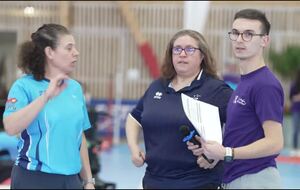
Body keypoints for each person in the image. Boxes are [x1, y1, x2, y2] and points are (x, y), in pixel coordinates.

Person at [188, 9, 284, 189]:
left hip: (255, 179)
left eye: (248, 34)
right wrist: (214, 154)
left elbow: (275, 143)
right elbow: (242, 135)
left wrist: (227, 153)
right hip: (235, 179)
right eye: (236, 33)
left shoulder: (265, 84)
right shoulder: (245, 81)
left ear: (265, 40)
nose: (240, 39)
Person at [125, 29, 233, 189]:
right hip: (153, 181)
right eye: (177, 49)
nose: (182, 54)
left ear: (202, 55)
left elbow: (240, 128)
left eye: (190, 49)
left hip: (198, 182)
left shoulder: (217, 90)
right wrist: (134, 149)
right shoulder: (157, 86)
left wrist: (219, 155)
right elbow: (134, 119)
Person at [2, 23, 95, 189]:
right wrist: (45, 97)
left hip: (71, 180)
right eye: (69, 48)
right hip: (34, 178)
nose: (76, 52)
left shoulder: (74, 88)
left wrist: (88, 180)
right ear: (50, 52)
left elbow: (79, 136)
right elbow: (10, 127)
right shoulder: (23, 86)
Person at [289, 69, 300, 156]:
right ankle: (294, 148)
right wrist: (297, 97)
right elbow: (291, 98)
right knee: (295, 130)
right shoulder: (294, 85)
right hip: (296, 110)